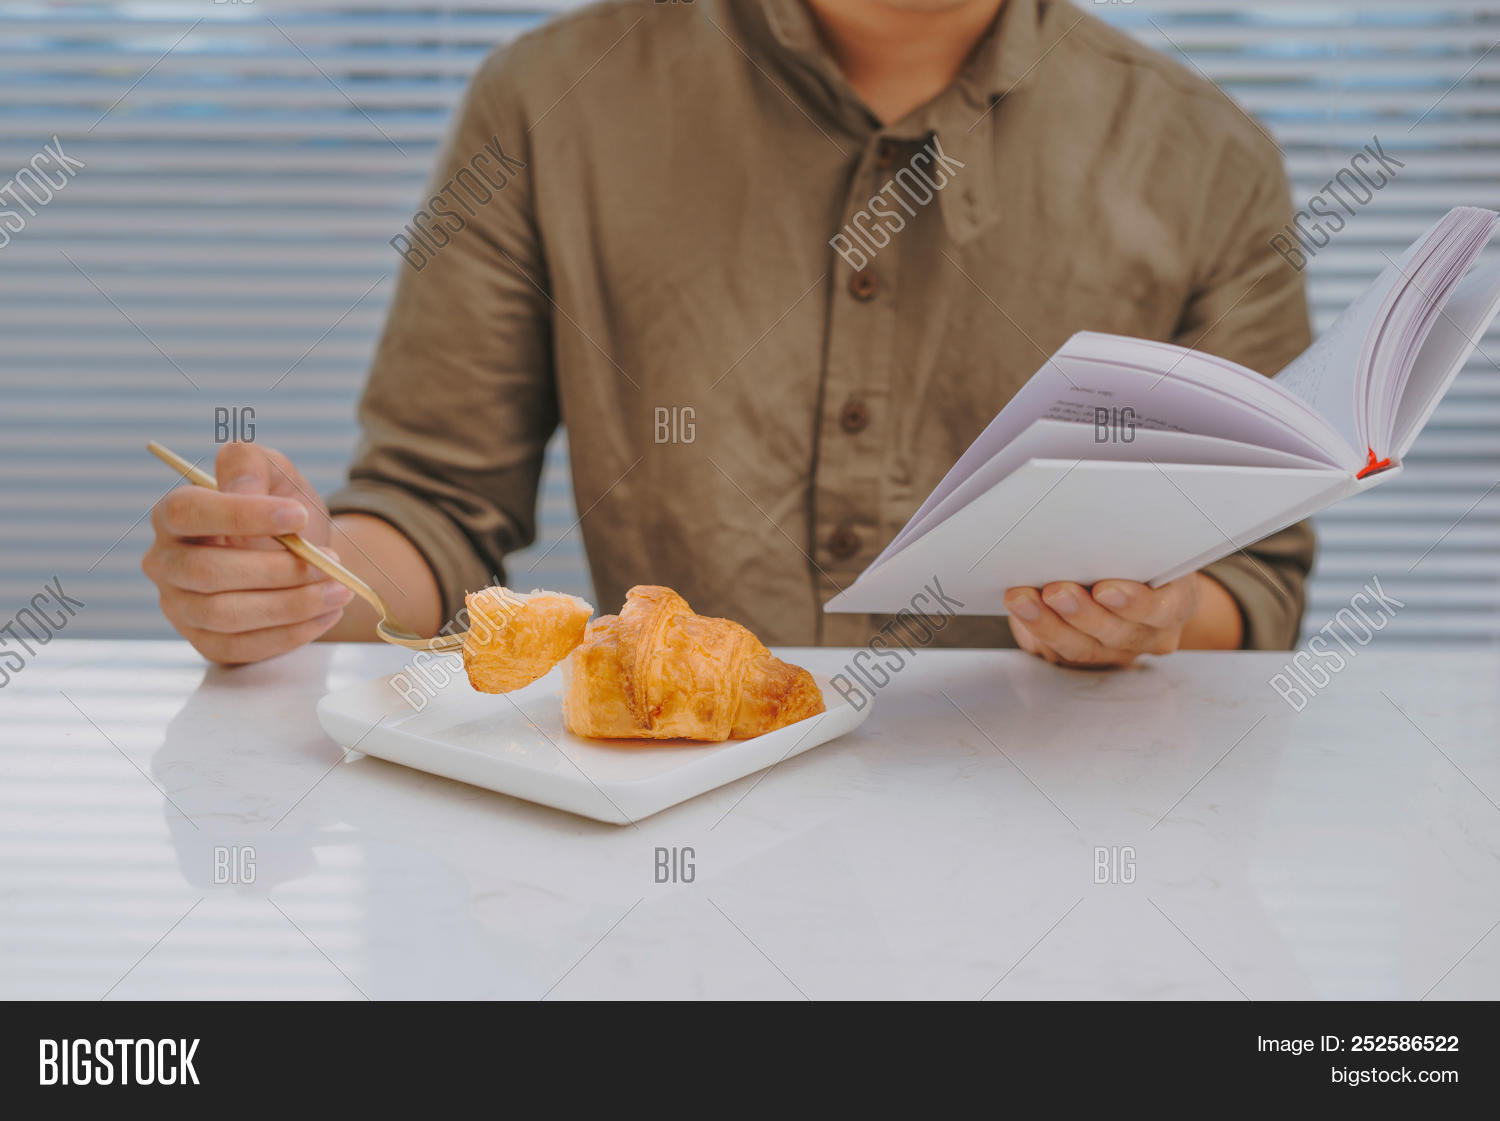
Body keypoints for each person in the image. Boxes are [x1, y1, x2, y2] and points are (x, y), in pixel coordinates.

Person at [142, 0, 1315, 669]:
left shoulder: (1207, 160)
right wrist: (298, 582)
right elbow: (440, 507)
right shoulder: (552, 101)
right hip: (667, 841)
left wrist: (1158, 615)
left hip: (1064, 837)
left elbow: (1255, 579)